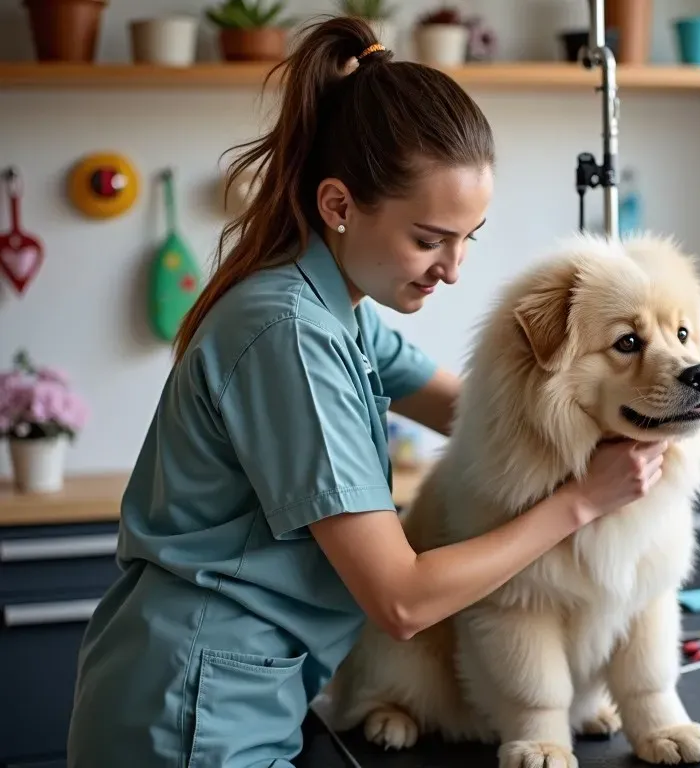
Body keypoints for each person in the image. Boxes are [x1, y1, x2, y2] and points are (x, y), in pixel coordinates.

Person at [66, 15, 668, 768]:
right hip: (192, 711)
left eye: (468, 238)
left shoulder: (335, 310)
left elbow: (477, 414)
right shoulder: (290, 334)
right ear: (339, 206)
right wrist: (583, 500)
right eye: (429, 238)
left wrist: (604, 408)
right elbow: (403, 600)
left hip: (234, 691)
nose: (452, 269)